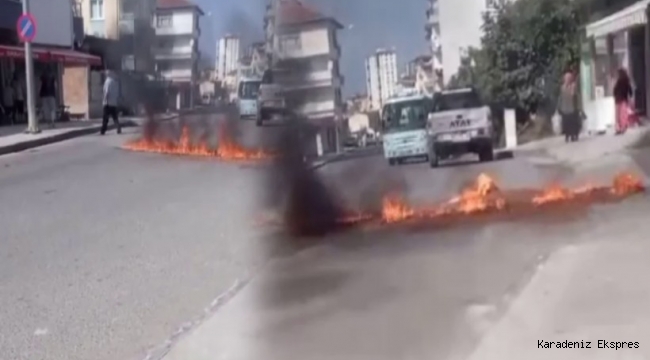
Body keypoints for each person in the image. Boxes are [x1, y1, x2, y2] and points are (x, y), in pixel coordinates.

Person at [557, 71, 583, 142]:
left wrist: (579, 108)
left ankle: (573, 135)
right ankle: (567, 135)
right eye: (566, 78)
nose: (567, 80)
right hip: (565, 109)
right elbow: (560, 98)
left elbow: (576, 97)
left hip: (572, 108)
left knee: (573, 123)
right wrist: (559, 107)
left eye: (569, 78)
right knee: (566, 123)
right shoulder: (562, 87)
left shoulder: (573, 86)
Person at [613, 68, 634, 135]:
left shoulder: (619, 81)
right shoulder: (627, 80)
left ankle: (618, 128)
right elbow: (630, 89)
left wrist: (615, 95)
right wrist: (630, 96)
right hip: (624, 99)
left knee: (618, 114)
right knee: (623, 113)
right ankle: (623, 126)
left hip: (618, 98)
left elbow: (615, 89)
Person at [101, 70, 121, 135]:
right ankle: (118, 128)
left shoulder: (108, 81)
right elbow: (118, 93)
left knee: (105, 117)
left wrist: (104, 100)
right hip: (114, 102)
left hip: (107, 102)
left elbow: (106, 92)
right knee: (115, 117)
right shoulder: (115, 82)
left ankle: (103, 130)